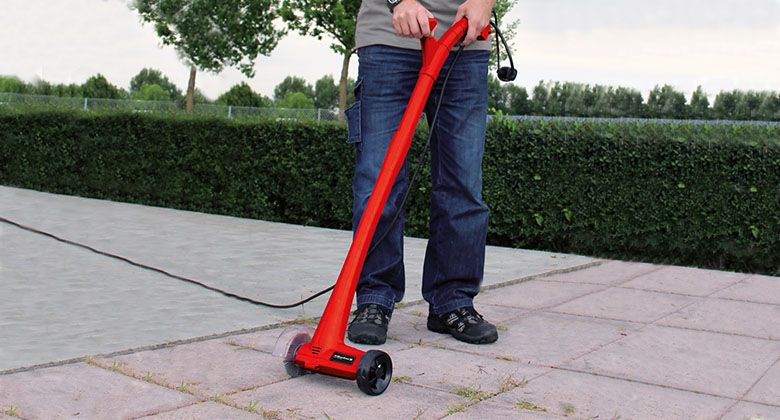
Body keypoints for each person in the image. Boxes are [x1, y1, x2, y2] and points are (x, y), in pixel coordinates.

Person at [345, 0, 498, 345]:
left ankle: (452, 300)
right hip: (388, 38)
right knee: (378, 181)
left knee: (463, 183)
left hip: (466, 42)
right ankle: (374, 297)